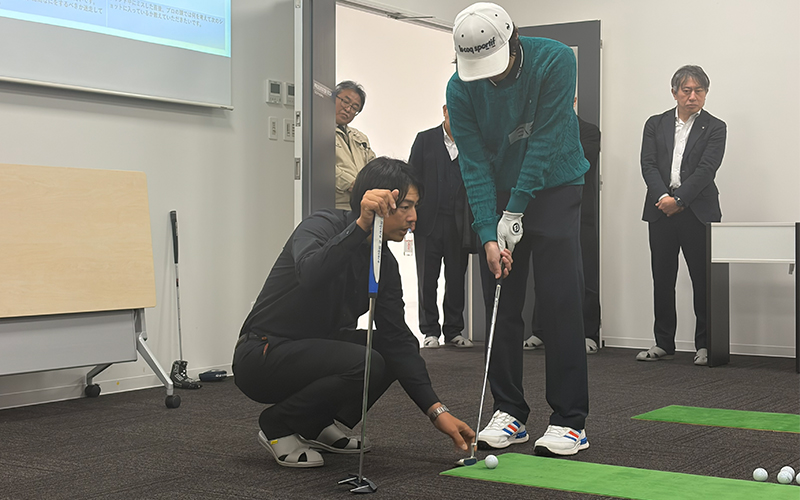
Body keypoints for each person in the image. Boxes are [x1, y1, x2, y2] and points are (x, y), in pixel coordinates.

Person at [232, 157, 474, 468]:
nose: (414, 218)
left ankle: (313, 424)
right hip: (262, 354)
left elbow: (397, 340)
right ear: (379, 202)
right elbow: (311, 273)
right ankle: (277, 424)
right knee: (366, 361)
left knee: (392, 349)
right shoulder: (319, 225)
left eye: (416, 207)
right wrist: (361, 226)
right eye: (406, 207)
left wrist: (436, 411)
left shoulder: (384, 263)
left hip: (313, 351)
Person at [446, 3, 590, 456]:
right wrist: (489, 231)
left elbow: (546, 140)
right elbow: (472, 164)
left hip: (556, 185)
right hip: (501, 191)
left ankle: (570, 421)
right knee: (500, 300)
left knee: (559, 299)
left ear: (513, 41)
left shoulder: (555, 60)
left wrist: (517, 211)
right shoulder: (460, 86)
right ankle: (509, 411)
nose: (489, 78)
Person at [638, 65, 726, 366]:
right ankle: (663, 342)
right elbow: (648, 164)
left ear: (705, 93)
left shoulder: (716, 127)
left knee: (702, 280)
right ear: (674, 92)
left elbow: (706, 170)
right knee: (662, 278)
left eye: (699, 91)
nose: (693, 96)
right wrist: (664, 198)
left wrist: (680, 200)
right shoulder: (655, 124)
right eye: (686, 90)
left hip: (696, 211)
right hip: (661, 210)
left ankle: (704, 345)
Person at [524, 102, 602, 354]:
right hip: (544, 211)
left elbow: (577, 161)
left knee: (584, 273)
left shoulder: (589, 131)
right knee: (543, 274)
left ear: (574, 100)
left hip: (582, 212)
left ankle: (588, 332)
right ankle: (541, 330)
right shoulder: (537, 129)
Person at [409, 104, 477, 349]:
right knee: (427, 278)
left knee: (457, 277)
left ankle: (454, 330)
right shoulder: (425, 140)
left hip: (460, 225)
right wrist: (411, 214)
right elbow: (411, 179)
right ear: (446, 110)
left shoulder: (472, 144)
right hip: (428, 222)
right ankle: (429, 331)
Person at [335, 80, 376, 210]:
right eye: (345, 102)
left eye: (354, 108)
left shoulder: (360, 137)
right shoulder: (317, 131)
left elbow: (373, 167)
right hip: (335, 205)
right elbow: (320, 166)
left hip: (361, 206)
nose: (348, 109)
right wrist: (351, 183)